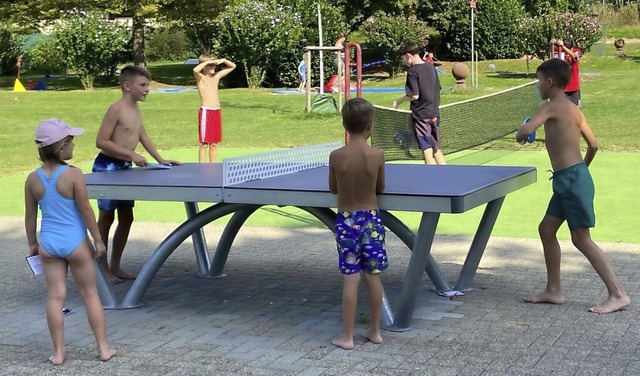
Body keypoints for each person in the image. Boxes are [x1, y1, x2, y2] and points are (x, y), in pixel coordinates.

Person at [516, 58, 630, 314]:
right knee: (546, 229)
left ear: (549, 81)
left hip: (570, 180)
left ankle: (618, 294)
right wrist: (582, 169)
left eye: (538, 81)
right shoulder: (574, 109)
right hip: (572, 178)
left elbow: (525, 132)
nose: (537, 86)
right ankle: (553, 291)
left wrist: (522, 131)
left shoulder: (550, 107)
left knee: (581, 239)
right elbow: (594, 145)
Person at [25, 118, 117, 365]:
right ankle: (103, 348)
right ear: (61, 147)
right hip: (75, 242)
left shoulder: (32, 179)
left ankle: (58, 353)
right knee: (90, 294)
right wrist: (97, 239)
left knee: (55, 297)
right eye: (71, 142)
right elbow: (86, 210)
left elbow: (30, 216)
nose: (73, 146)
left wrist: (33, 243)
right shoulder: (74, 174)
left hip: (48, 244)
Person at [94, 65, 181, 283]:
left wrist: (161, 159)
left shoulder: (135, 109)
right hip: (108, 168)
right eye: (143, 85)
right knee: (106, 218)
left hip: (125, 169)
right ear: (127, 86)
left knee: (127, 217)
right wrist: (131, 153)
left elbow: (142, 135)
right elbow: (101, 141)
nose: (147, 89)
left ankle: (115, 265)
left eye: (147, 85)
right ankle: (101, 268)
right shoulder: (116, 109)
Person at [328, 98, 388, 350]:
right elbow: (380, 187)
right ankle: (375, 331)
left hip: (346, 221)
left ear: (345, 125)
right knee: (373, 277)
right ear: (369, 126)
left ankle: (347, 337)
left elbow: (333, 188)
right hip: (371, 220)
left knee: (350, 279)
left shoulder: (336, 156)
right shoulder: (377, 155)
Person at [392, 42, 445, 165]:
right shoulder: (431, 67)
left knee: (426, 147)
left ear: (408, 56)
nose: (403, 61)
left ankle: (429, 177)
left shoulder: (412, 72)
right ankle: (445, 173)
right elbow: (438, 88)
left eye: (402, 58)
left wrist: (399, 101)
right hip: (434, 113)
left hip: (421, 116)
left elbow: (414, 95)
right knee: (435, 147)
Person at [193, 54, 237, 163]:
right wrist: (207, 62)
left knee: (213, 143)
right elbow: (195, 69)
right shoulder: (201, 78)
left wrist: (223, 60)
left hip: (216, 111)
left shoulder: (216, 76)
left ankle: (213, 165)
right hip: (206, 112)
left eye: (214, 65)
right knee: (204, 143)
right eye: (210, 66)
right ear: (204, 66)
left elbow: (233, 66)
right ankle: (201, 166)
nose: (213, 68)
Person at [557, 37, 582, 107]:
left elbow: (574, 56)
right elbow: (552, 54)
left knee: (575, 109)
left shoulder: (576, 51)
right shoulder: (560, 53)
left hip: (574, 88)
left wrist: (563, 46)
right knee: (563, 109)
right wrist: (552, 45)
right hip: (563, 88)